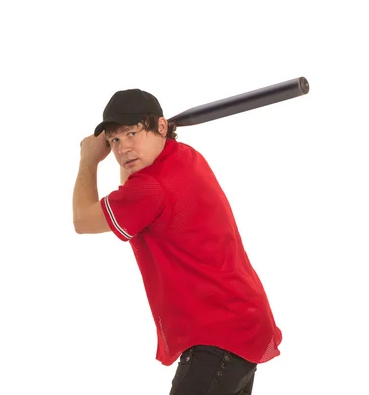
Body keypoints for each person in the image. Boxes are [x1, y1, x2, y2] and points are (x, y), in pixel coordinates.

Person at [72, 88, 282, 394]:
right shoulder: (185, 157)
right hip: (242, 322)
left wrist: (88, 161)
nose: (122, 148)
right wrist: (138, 144)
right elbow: (132, 196)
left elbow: (82, 221)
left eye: (132, 133)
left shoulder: (150, 188)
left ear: (160, 127)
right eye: (114, 140)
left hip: (218, 338)